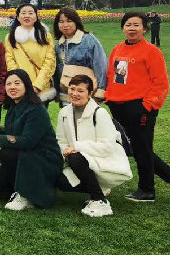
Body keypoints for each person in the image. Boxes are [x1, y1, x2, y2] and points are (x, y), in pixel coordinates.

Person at [105, 12, 170, 203]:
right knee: (135, 148)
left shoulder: (152, 51)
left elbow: (161, 84)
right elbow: (112, 76)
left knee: (142, 148)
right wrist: (109, 97)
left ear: (145, 29)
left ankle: (147, 190)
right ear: (123, 28)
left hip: (140, 107)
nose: (132, 28)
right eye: (128, 24)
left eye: (136, 25)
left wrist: (146, 106)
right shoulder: (117, 49)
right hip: (118, 105)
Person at [0, 69, 62, 210]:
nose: (12, 87)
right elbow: (12, 132)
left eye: (17, 83)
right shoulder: (13, 108)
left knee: (8, 154)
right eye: (8, 84)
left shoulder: (36, 109)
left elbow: (28, 141)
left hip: (43, 156)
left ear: (26, 85)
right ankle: (21, 188)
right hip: (24, 154)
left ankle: (26, 195)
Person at [56, 75, 133, 217]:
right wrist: (65, 150)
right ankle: (97, 188)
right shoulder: (64, 113)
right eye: (72, 89)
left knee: (75, 158)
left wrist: (77, 147)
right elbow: (61, 140)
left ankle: (99, 200)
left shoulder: (100, 113)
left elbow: (107, 146)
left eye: (80, 91)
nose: (74, 93)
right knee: (59, 181)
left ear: (90, 93)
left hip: (103, 161)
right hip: (77, 160)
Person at [53, 7, 109, 105]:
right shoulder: (58, 45)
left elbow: (101, 65)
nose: (65, 25)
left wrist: (101, 90)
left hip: (87, 94)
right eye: (61, 22)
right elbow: (57, 71)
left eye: (69, 21)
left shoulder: (89, 39)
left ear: (76, 22)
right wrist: (58, 92)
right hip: (67, 95)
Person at [4, 4, 56, 102]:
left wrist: (38, 85)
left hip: (41, 88)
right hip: (20, 88)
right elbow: (9, 60)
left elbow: (50, 62)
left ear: (36, 17)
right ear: (18, 17)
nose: (27, 16)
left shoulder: (45, 36)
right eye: (23, 13)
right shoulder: (11, 37)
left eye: (30, 13)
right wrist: (19, 83)